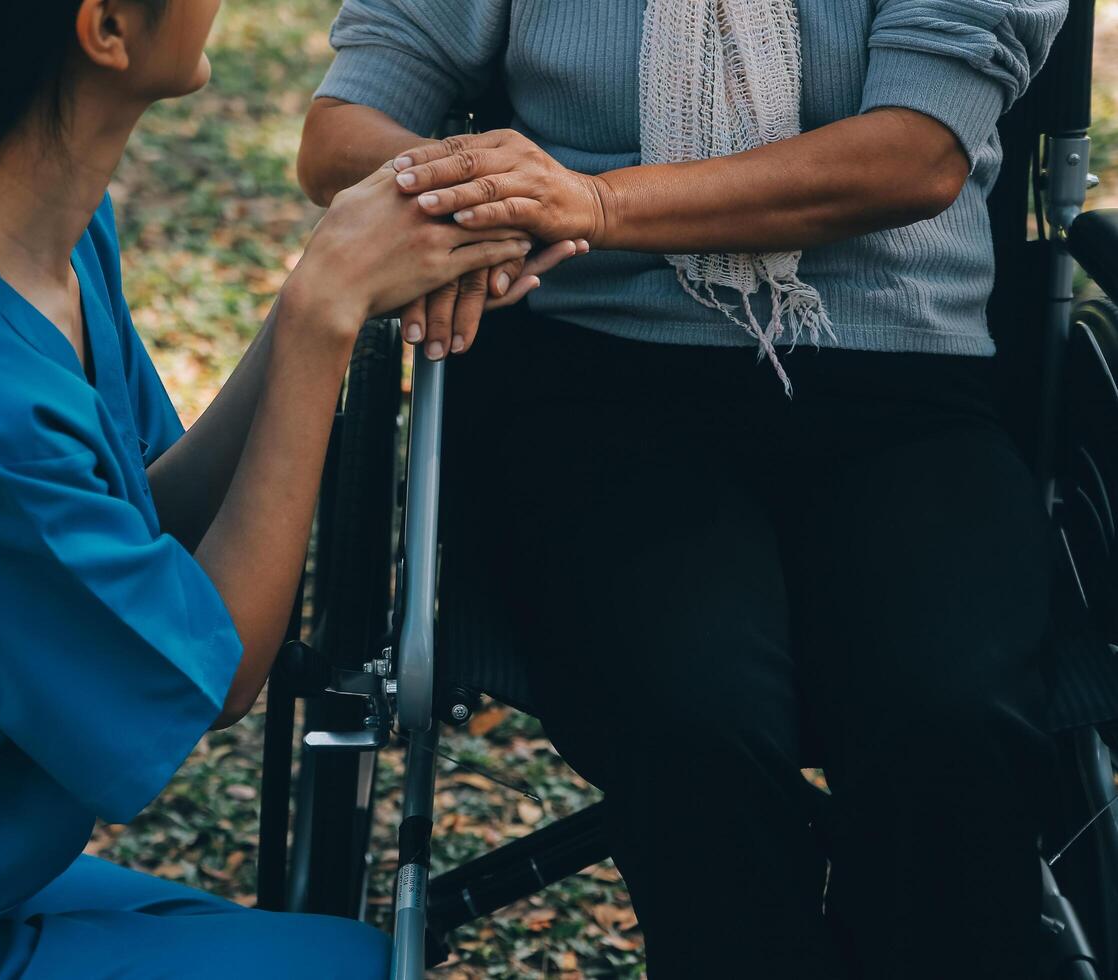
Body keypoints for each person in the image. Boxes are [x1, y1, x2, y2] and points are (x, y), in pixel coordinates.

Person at [0, 1, 582, 977]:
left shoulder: (15, 238)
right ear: (104, 29)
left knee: (346, 952)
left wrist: (328, 275)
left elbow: (145, 529)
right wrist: (319, 320)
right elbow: (211, 677)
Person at [298, 1, 1068, 978]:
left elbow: (917, 153)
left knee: (953, 709)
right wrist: (462, 209)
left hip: (897, 381)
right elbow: (340, 133)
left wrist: (598, 201)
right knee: (692, 709)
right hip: (594, 382)